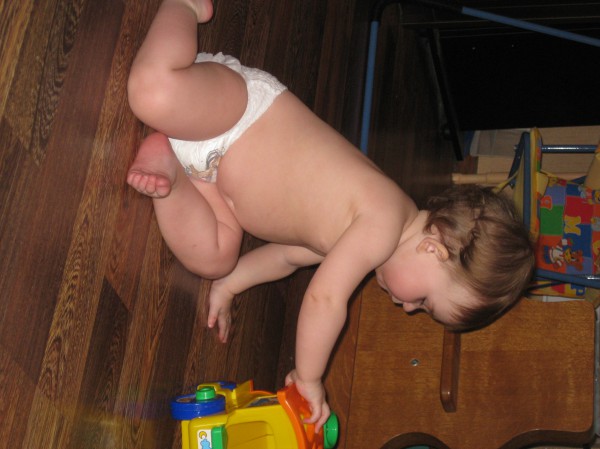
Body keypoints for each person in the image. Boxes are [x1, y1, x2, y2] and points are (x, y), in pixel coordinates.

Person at [126, 0, 534, 432]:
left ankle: (169, 170)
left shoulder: (363, 240)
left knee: (214, 259)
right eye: (425, 302)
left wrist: (231, 283)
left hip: (211, 175)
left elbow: (287, 256)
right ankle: (184, 7)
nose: (408, 308)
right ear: (434, 249)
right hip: (236, 115)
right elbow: (324, 299)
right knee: (151, 93)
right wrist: (309, 378)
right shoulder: (381, 220)